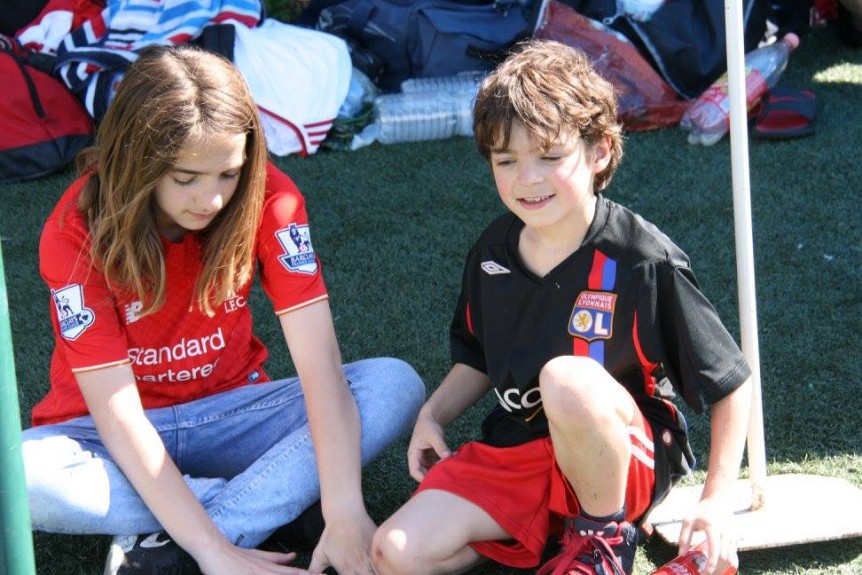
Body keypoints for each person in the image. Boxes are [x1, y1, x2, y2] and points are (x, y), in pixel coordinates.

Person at [22, 44, 425, 575]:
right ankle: (259, 509)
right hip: (106, 436)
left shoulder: (271, 197)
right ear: (136, 162)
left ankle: (179, 543)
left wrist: (345, 508)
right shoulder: (75, 227)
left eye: (228, 174)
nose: (211, 199)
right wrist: (214, 551)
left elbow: (320, 367)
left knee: (393, 384)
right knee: (19, 476)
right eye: (186, 178)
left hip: (233, 414)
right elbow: (120, 420)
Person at [371, 40, 752, 575]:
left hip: (624, 454)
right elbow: (478, 357)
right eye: (507, 160)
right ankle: (553, 530)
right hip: (523, 448)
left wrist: (715, 501)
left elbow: (731, 383)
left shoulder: (642, 259)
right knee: (394, 552)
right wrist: (432, 416)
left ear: (599, 152)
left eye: (550, 157)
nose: (528, 178)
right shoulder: (491, 253)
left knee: (567, 379)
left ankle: (603, 540)